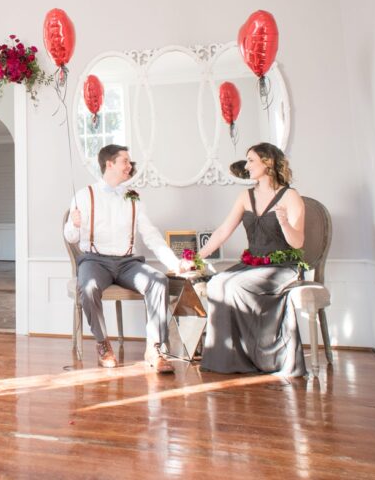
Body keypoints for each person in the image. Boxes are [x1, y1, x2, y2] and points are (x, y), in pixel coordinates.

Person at [187, 143, 307, 377]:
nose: (247, 165)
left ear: (268, 162)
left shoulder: (290, 196)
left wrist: (283, 223)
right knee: (217, 283)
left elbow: (298, 243)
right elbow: (222, 231)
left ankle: (259, 357)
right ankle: (227, 359)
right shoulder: (245, 196)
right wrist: (196, 259)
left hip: (281, 267)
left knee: (233, 284)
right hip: (253, 263)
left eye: (251, 160)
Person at [64, 144, 179, 371]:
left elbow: (151, 235)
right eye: (125, 161)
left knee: (158, 281)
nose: (129, 166)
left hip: (127, 263)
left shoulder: (133, 197)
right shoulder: (84, 196)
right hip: (94, 260)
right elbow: (71, 236)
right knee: (87, 287)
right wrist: (74, 224)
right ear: (110, 164)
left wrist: (174, 263)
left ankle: (154, 348)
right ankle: (103, 344)